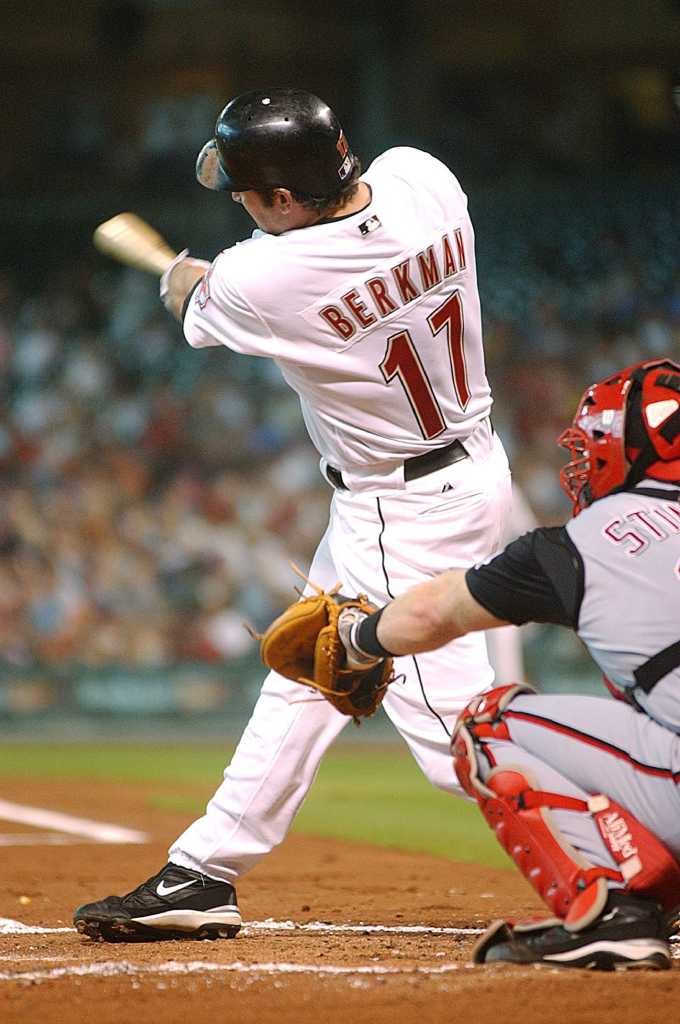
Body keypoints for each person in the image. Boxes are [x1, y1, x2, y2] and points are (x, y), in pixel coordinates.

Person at [74, 87, 511, 942]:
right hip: (468, 468)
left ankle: (635, 849)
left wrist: (179, 272)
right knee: (306, 668)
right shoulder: (421, 176)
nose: (239, 203)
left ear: (281, 198)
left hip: (404, 509)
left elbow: (197, 297)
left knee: (454, 739)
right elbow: (304, 258)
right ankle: (205, 871)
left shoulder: (259, 278)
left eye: (246, 192)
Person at [337, 358, 680, 970]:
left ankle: (613, 918)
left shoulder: (585, 541)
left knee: (488, 724)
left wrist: (359, 637)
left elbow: (437, 611)